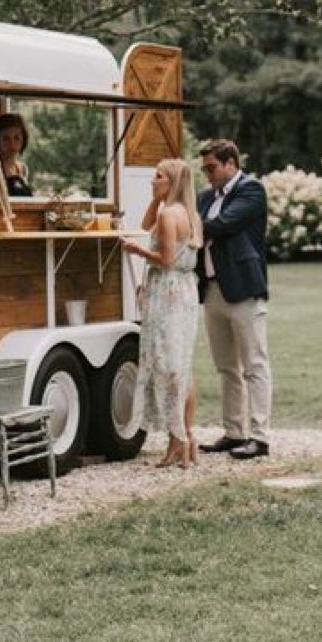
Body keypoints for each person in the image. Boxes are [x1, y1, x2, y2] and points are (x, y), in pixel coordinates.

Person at [122, 158, 202, 469]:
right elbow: (145, 225)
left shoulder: (170, 216)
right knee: (182, 365)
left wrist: (137, 250)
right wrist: (156, 199)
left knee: (169, 365)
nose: (152, 181)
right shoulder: (190, 214)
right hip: (184, 291)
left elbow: (165, 259)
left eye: (158, 178)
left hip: (166, 292)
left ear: (171, 182)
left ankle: (177, 440)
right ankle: (185, 437)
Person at [195, 138, 272, 460]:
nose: (208, 175)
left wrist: (184, 225)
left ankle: (260, 436)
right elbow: (200, 229)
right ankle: (233, 431)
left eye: (212, 168)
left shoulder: (251, 190)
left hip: (242, 287)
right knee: (226, 366)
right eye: (204, 169)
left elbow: (221, 225)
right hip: (212, 289)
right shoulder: (204, 197)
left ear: (231, 164)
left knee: (254, 364)